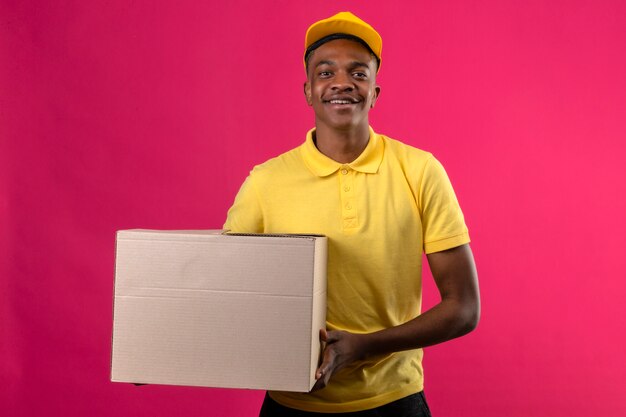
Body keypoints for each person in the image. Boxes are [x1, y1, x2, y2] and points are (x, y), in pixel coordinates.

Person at [224, 11, 480, 417]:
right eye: (325, 72)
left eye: (358, 73)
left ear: (375, 91)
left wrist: (365, 345)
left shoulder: (419, 171)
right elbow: (225, 292)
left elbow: (464, 307)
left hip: (395, 401)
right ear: (308, 91)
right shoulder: (265, 182)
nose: (342, 82)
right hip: (292, 404)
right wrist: (169, 352)